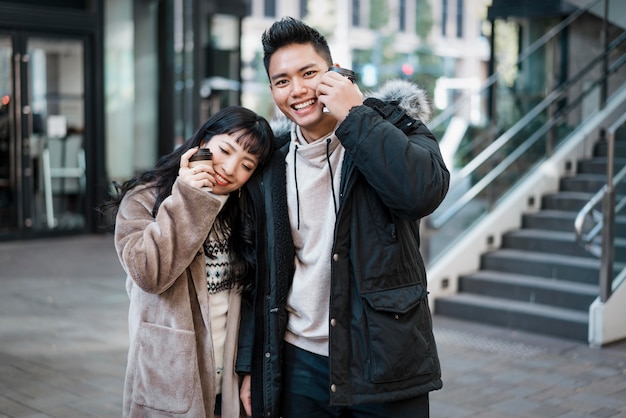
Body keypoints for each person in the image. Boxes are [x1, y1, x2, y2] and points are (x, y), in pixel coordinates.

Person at [236, 17, 450, 418]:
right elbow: (256, 274)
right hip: (298, 363)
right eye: (282, 81)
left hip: (382, 359)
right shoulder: (269, 166)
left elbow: (421, 193)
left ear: (335, 74)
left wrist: (355, 115)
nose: (297, 90)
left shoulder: (393, 128)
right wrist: (249, 366)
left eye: (309, 73)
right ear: (272, 91)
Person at [101, 106, 274, 417]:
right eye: (225, 150)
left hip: (228, 383)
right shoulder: (144, 200)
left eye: (247, 165)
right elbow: (149, 273)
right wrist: (190, 196)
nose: (231, 168)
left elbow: (253, 297)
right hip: (170, 380)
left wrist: (250, 368)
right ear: (203, 141)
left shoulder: (242, 212)